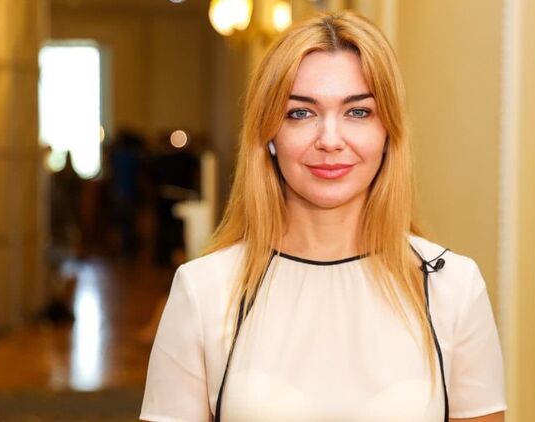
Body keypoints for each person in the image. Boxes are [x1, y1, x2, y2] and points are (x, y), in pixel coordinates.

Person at [141, 11, 506, 422]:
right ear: (269, 135)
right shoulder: (204, 290)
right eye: (301, 113)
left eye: (358, 112)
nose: (330, 141)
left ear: (388, 133)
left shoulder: (452, 286)